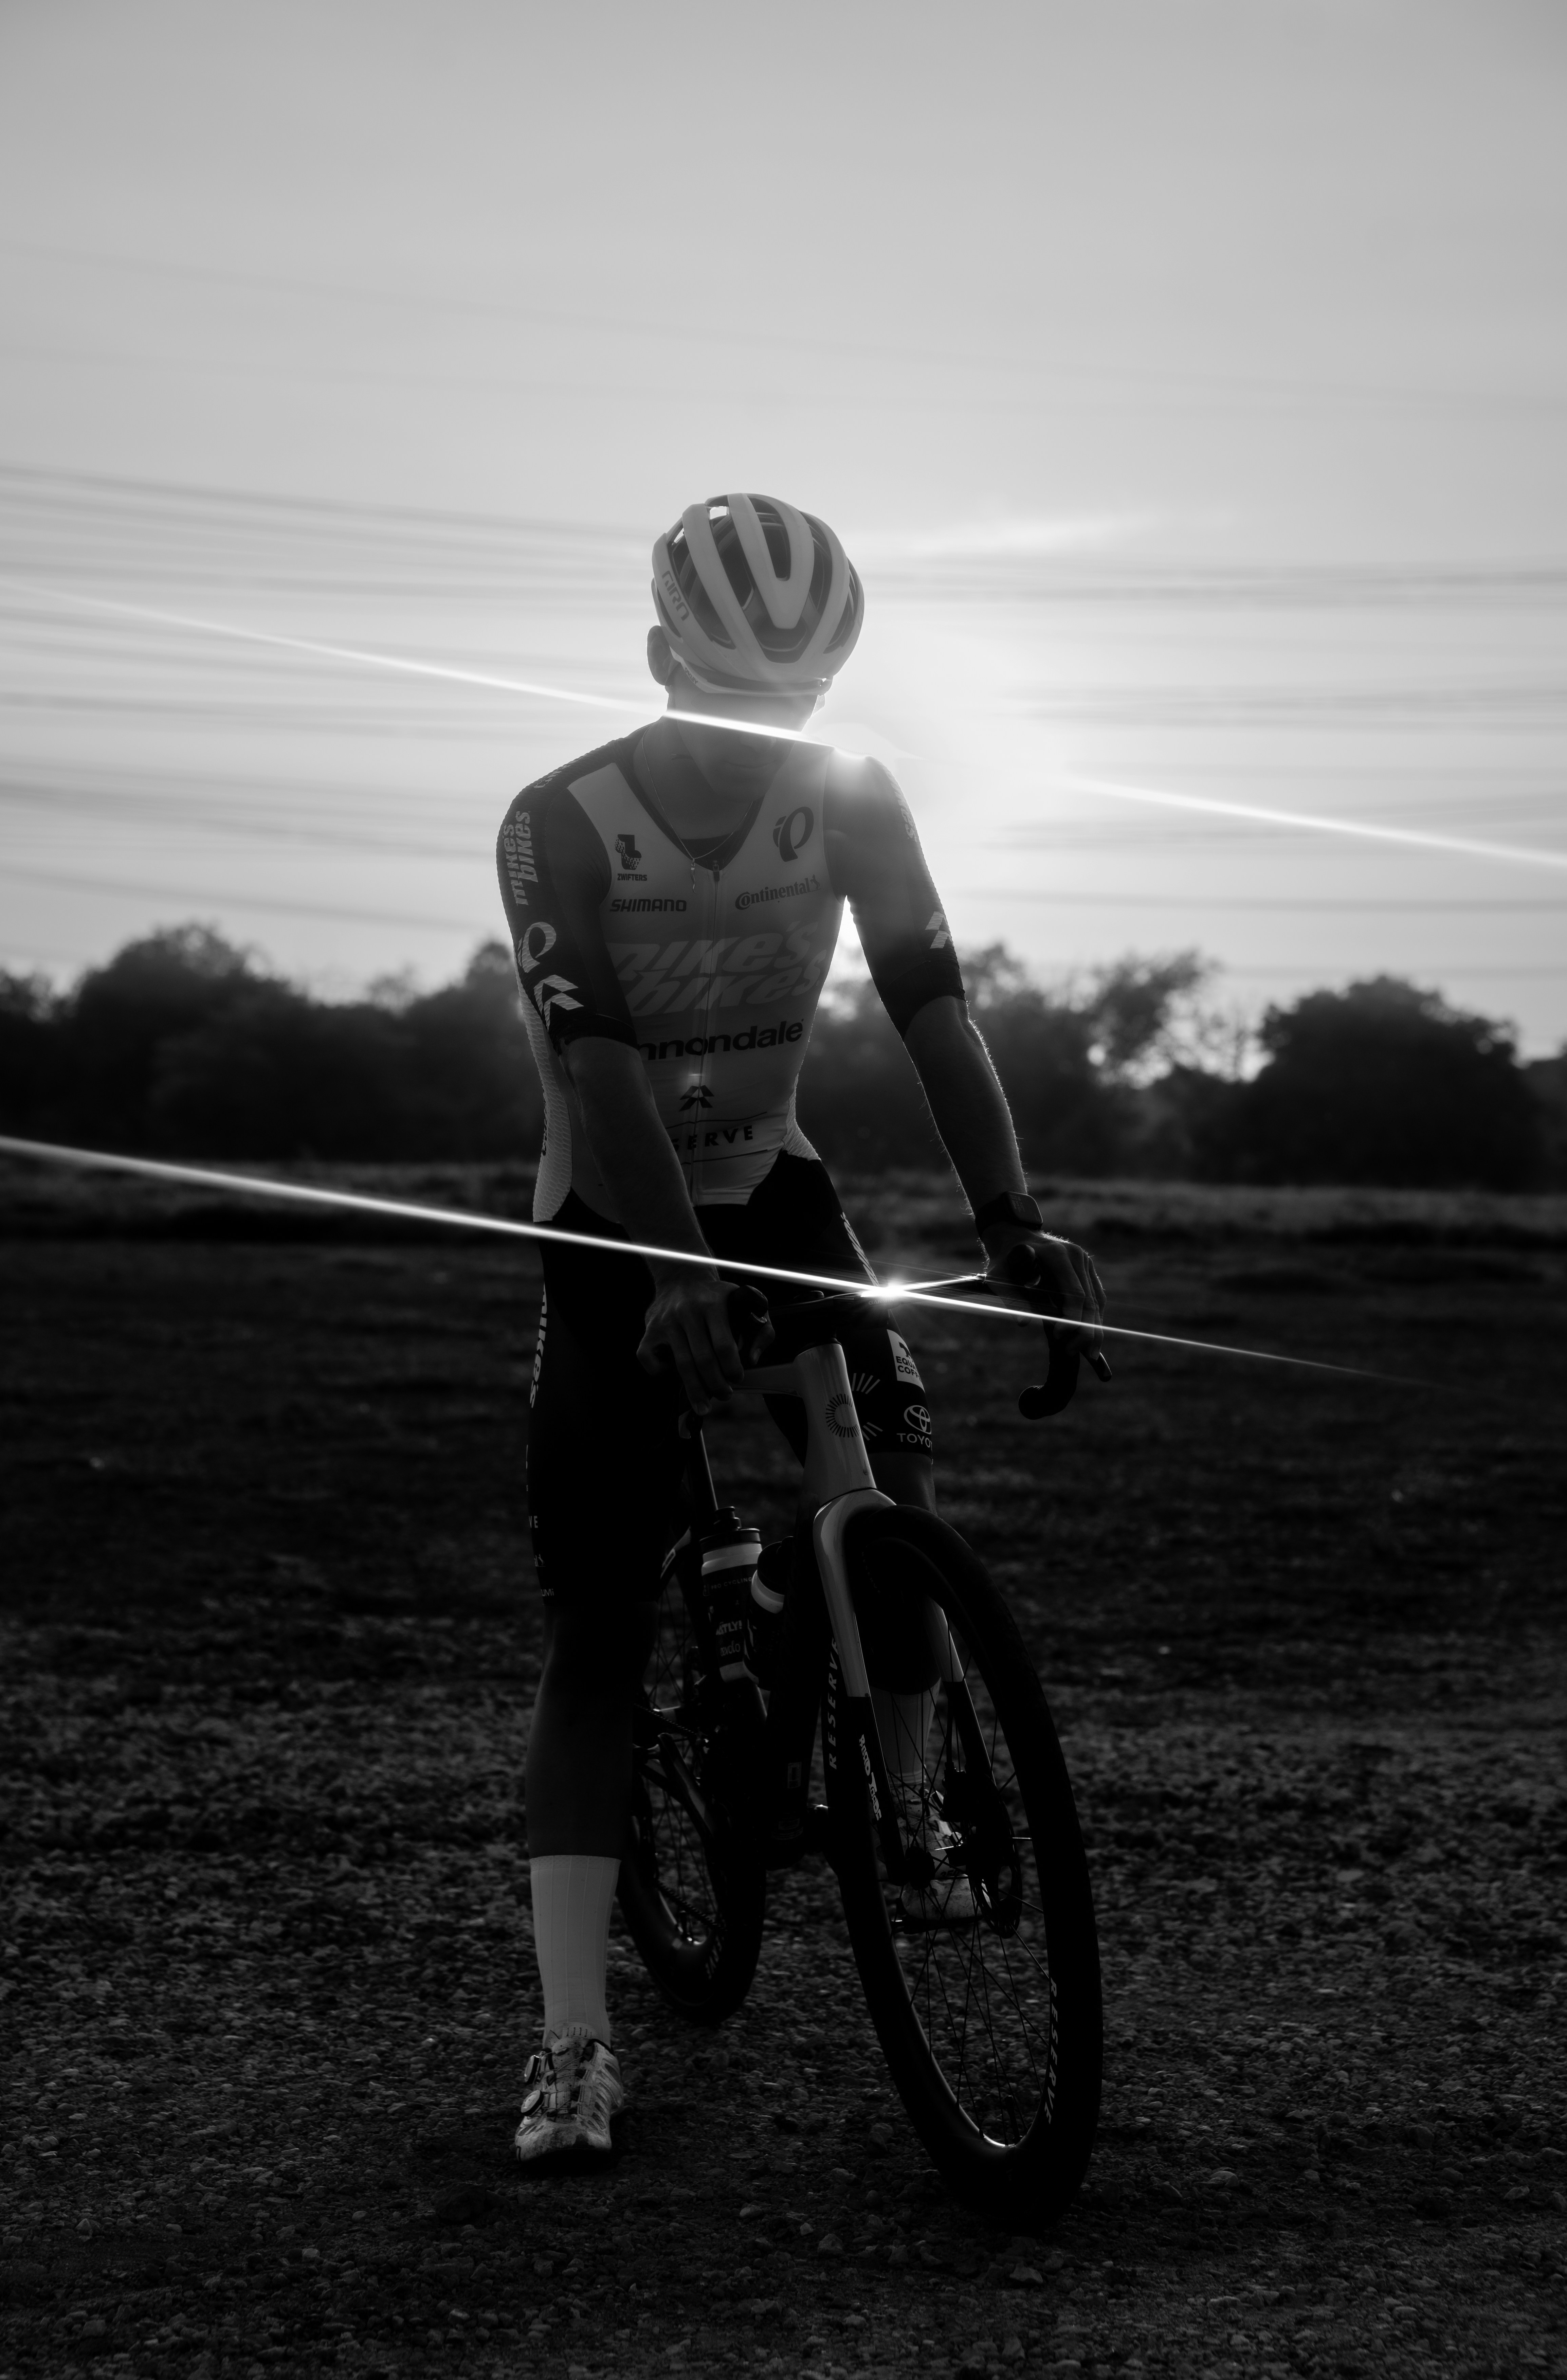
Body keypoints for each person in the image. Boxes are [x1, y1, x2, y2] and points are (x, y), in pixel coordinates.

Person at [496, 492, 1104, 2165]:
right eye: (734, 698)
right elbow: (595, 1071)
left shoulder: (852, 801)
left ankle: (899, 1796)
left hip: (773, 1181)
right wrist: (674, 1274)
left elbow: (933, 1008)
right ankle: (571, 2042)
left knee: (895, 1490)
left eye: (800, 706)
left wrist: (1010, 1218)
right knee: (602, 1622)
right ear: (656, 664)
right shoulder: (558, 821)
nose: (771, 739)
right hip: (613, 1208)